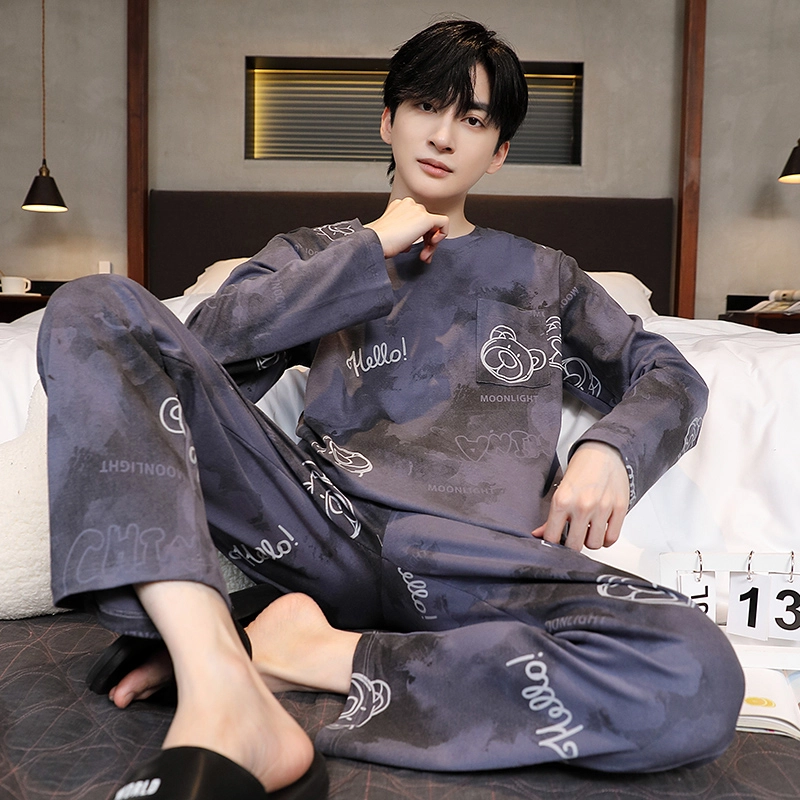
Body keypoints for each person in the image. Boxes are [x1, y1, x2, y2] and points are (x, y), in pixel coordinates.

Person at [37, 18, 744, 800]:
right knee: (93, 305)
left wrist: (609, 450)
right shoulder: (315, 252)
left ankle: (292, 656)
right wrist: (370, 248)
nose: (442, 134)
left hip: (477, 563)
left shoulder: (544, 276)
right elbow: (193, 357)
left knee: (697, 670)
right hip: (321, 529)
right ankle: (217, 678)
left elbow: (668, 373)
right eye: (425, 106)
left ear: (498, 151)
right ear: (387, 120)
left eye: (472, 119)